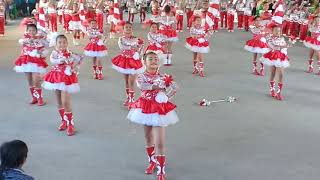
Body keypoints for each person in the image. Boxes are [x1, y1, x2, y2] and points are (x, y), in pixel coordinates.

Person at [127, 51, 179, 180]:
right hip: (145, 108)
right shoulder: (141, 76)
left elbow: (175, 87)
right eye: (151, 59)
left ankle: (161, 170)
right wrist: (156, 86)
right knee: (148, 136)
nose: (154, 60)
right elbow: (142, 85)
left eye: (156, 58)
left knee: (160, 141)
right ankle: (152, 161)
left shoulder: (164, 76)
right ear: (145, 62)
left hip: (159, 109)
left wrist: (166, 96)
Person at [42, 35, 83, 136]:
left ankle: (70, 124)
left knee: (65, 102)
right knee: (59, 101)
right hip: (56, 78)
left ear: (67, 43)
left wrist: (75, 67)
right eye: (59, 42)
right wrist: (61, 60)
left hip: (67, 78)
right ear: (56, 44)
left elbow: (80, 58)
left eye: (64, 42)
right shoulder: (54, 53)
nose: (62, 44)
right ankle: (64, 121)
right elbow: (52, 60)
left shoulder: (70, 53)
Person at [14, 23, 48, 106]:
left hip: (36, 62)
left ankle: (40, 98)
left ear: (36, 31)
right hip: (26, 61)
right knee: (29, 81)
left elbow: (44, 51)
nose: (31, 32)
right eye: (29, 30)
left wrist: (40, 53)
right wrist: (27, 41)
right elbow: (21, 43)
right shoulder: (24, 40)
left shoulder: (39, 40)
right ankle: (34, 97)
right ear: (27, 31)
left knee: (36, 80)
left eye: (33, 30)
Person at [111, 22, 144, 106]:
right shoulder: (121, 39)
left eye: (130, 27)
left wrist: (139, 53)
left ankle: (132, 100)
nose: (128, 29)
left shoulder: (137, 39)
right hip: (124, 61)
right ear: (123, 29)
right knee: (126, 81)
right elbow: (122, 47)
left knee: (131, 81)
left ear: (132, 29)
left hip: (134, 61)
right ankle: (128, 98)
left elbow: (141, 49)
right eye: (126, 27)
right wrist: (133, 48)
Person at [260, 24, 291, 101]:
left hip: (281, 57)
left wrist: (286, 49)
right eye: (276, 31)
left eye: (279, 31)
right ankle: (272, 89)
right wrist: (284, 46)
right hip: (273, 56)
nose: (278, 32)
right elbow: (274, 46)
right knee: (273, 73)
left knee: (281, 74)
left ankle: (279, 92)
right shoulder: (270, 39)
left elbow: (284, 47)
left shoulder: (282, 38)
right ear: (272, 31)